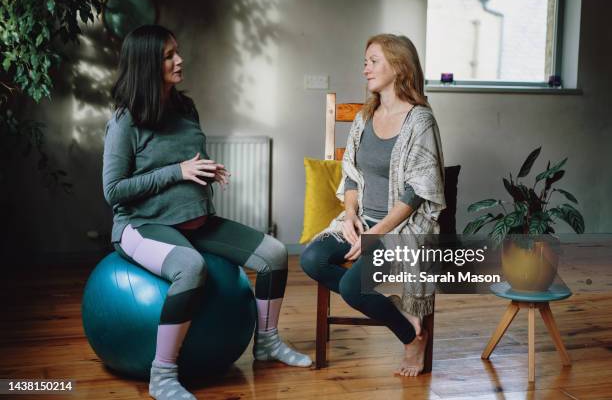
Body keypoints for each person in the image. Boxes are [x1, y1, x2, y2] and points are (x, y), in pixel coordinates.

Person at [103, 25, 311, 400]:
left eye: (176, 52)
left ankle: (266, 343)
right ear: (147, 63)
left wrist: (204, 172)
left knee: (275, 254)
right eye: (169, 55)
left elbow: (186, 161)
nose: (179, 60)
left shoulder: (185, 107)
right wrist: (178, 172)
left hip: (195, 220)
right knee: (190, 267)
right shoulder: (125, 120)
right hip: (141, 224)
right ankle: (162, 375)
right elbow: (114, 190)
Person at [300, 34, 445, 377]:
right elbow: (350, 176)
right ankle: (392, 309)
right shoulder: (365, 117)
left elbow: (417, 192)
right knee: (311, 259)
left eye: (373, 61)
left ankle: (412, 336)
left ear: (398, 66)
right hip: (362, 220)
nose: (365, 68)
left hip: (402, 229)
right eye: (365, 61)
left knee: (352, 287)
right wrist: (350, 216)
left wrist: (378, 233)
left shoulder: (420, 121)